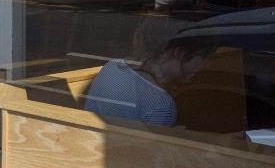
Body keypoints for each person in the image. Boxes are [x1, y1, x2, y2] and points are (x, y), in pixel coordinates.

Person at [83, 41, 213, 127]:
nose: (207, 64)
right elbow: (152, 156)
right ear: (179, 52)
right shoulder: (161, 105)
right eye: (204, 56)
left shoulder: (112, 65)